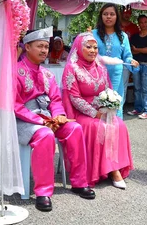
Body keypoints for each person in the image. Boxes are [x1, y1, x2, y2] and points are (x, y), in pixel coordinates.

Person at [15, 28, 96, 211]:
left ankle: (79, 182)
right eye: (39, 46)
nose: (44, 50)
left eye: (46, 46)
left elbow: (56, 100)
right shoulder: (15, 72)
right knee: (45, 135)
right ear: (27, 47)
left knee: (75, 129)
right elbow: (15, 105)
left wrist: (59, 116)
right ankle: (43, 192)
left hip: (49, 118)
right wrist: (39, 120)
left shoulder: (48, 74)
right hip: (25, 121)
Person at [62, 33, 133, 189]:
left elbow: (108, 88)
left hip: (101, 109)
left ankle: (112, 168)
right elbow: (74, 98)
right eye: (88, 47)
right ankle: (112, 171)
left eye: (95, 47)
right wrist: (95, 113)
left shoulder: (100, 66)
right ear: (79, 49)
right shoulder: (71, 68)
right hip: (81, 113)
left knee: (119, 124)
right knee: (98, 126)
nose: (93, 50)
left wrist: (109, 106)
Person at [93, 3, 139, 118]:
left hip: (116, 76)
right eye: (105, 14)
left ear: (117, 17)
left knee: (115, 105)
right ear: (101, 16)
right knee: (98, 106)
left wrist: (132, 61)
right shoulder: (93, 34)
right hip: (96, 75)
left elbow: (127, 56)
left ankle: (114, 134)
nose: (108, 17)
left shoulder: (123, 36)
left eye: (112, 14)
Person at [128, 14, 147, 119]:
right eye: (141, 22)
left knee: (146, 88)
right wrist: (141, 50)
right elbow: (132, 50)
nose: (143, 24)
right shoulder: (134, 37)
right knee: (137, 88)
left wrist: (138, 50)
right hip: (136, 64)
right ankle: (138, 108)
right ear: (138, 24)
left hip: (146, 65)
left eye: (145, 22)